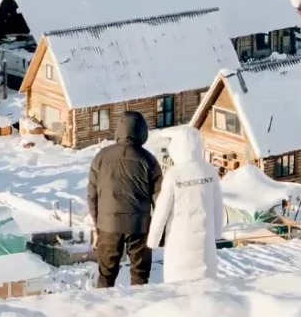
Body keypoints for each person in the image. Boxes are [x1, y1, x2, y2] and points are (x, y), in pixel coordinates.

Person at [88, 111, 161, 289]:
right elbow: (159, 198)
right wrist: (158, 229)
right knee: (140, 275)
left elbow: (92, 195)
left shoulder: (101, 157)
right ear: (143, 131)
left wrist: (98, 225)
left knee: (106, 275)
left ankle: (101, 311)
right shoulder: (149, 160)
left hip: (108, 225)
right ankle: (138, 311)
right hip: (139, 226)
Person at [147, 127, 224, 284]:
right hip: (205, 241)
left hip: (178, 240)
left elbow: (161, 211)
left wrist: (152, 240)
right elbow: (218, 205)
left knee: (179, 286)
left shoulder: (174, 174)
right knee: (205, 283)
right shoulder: (210, 171)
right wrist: (217, 232)